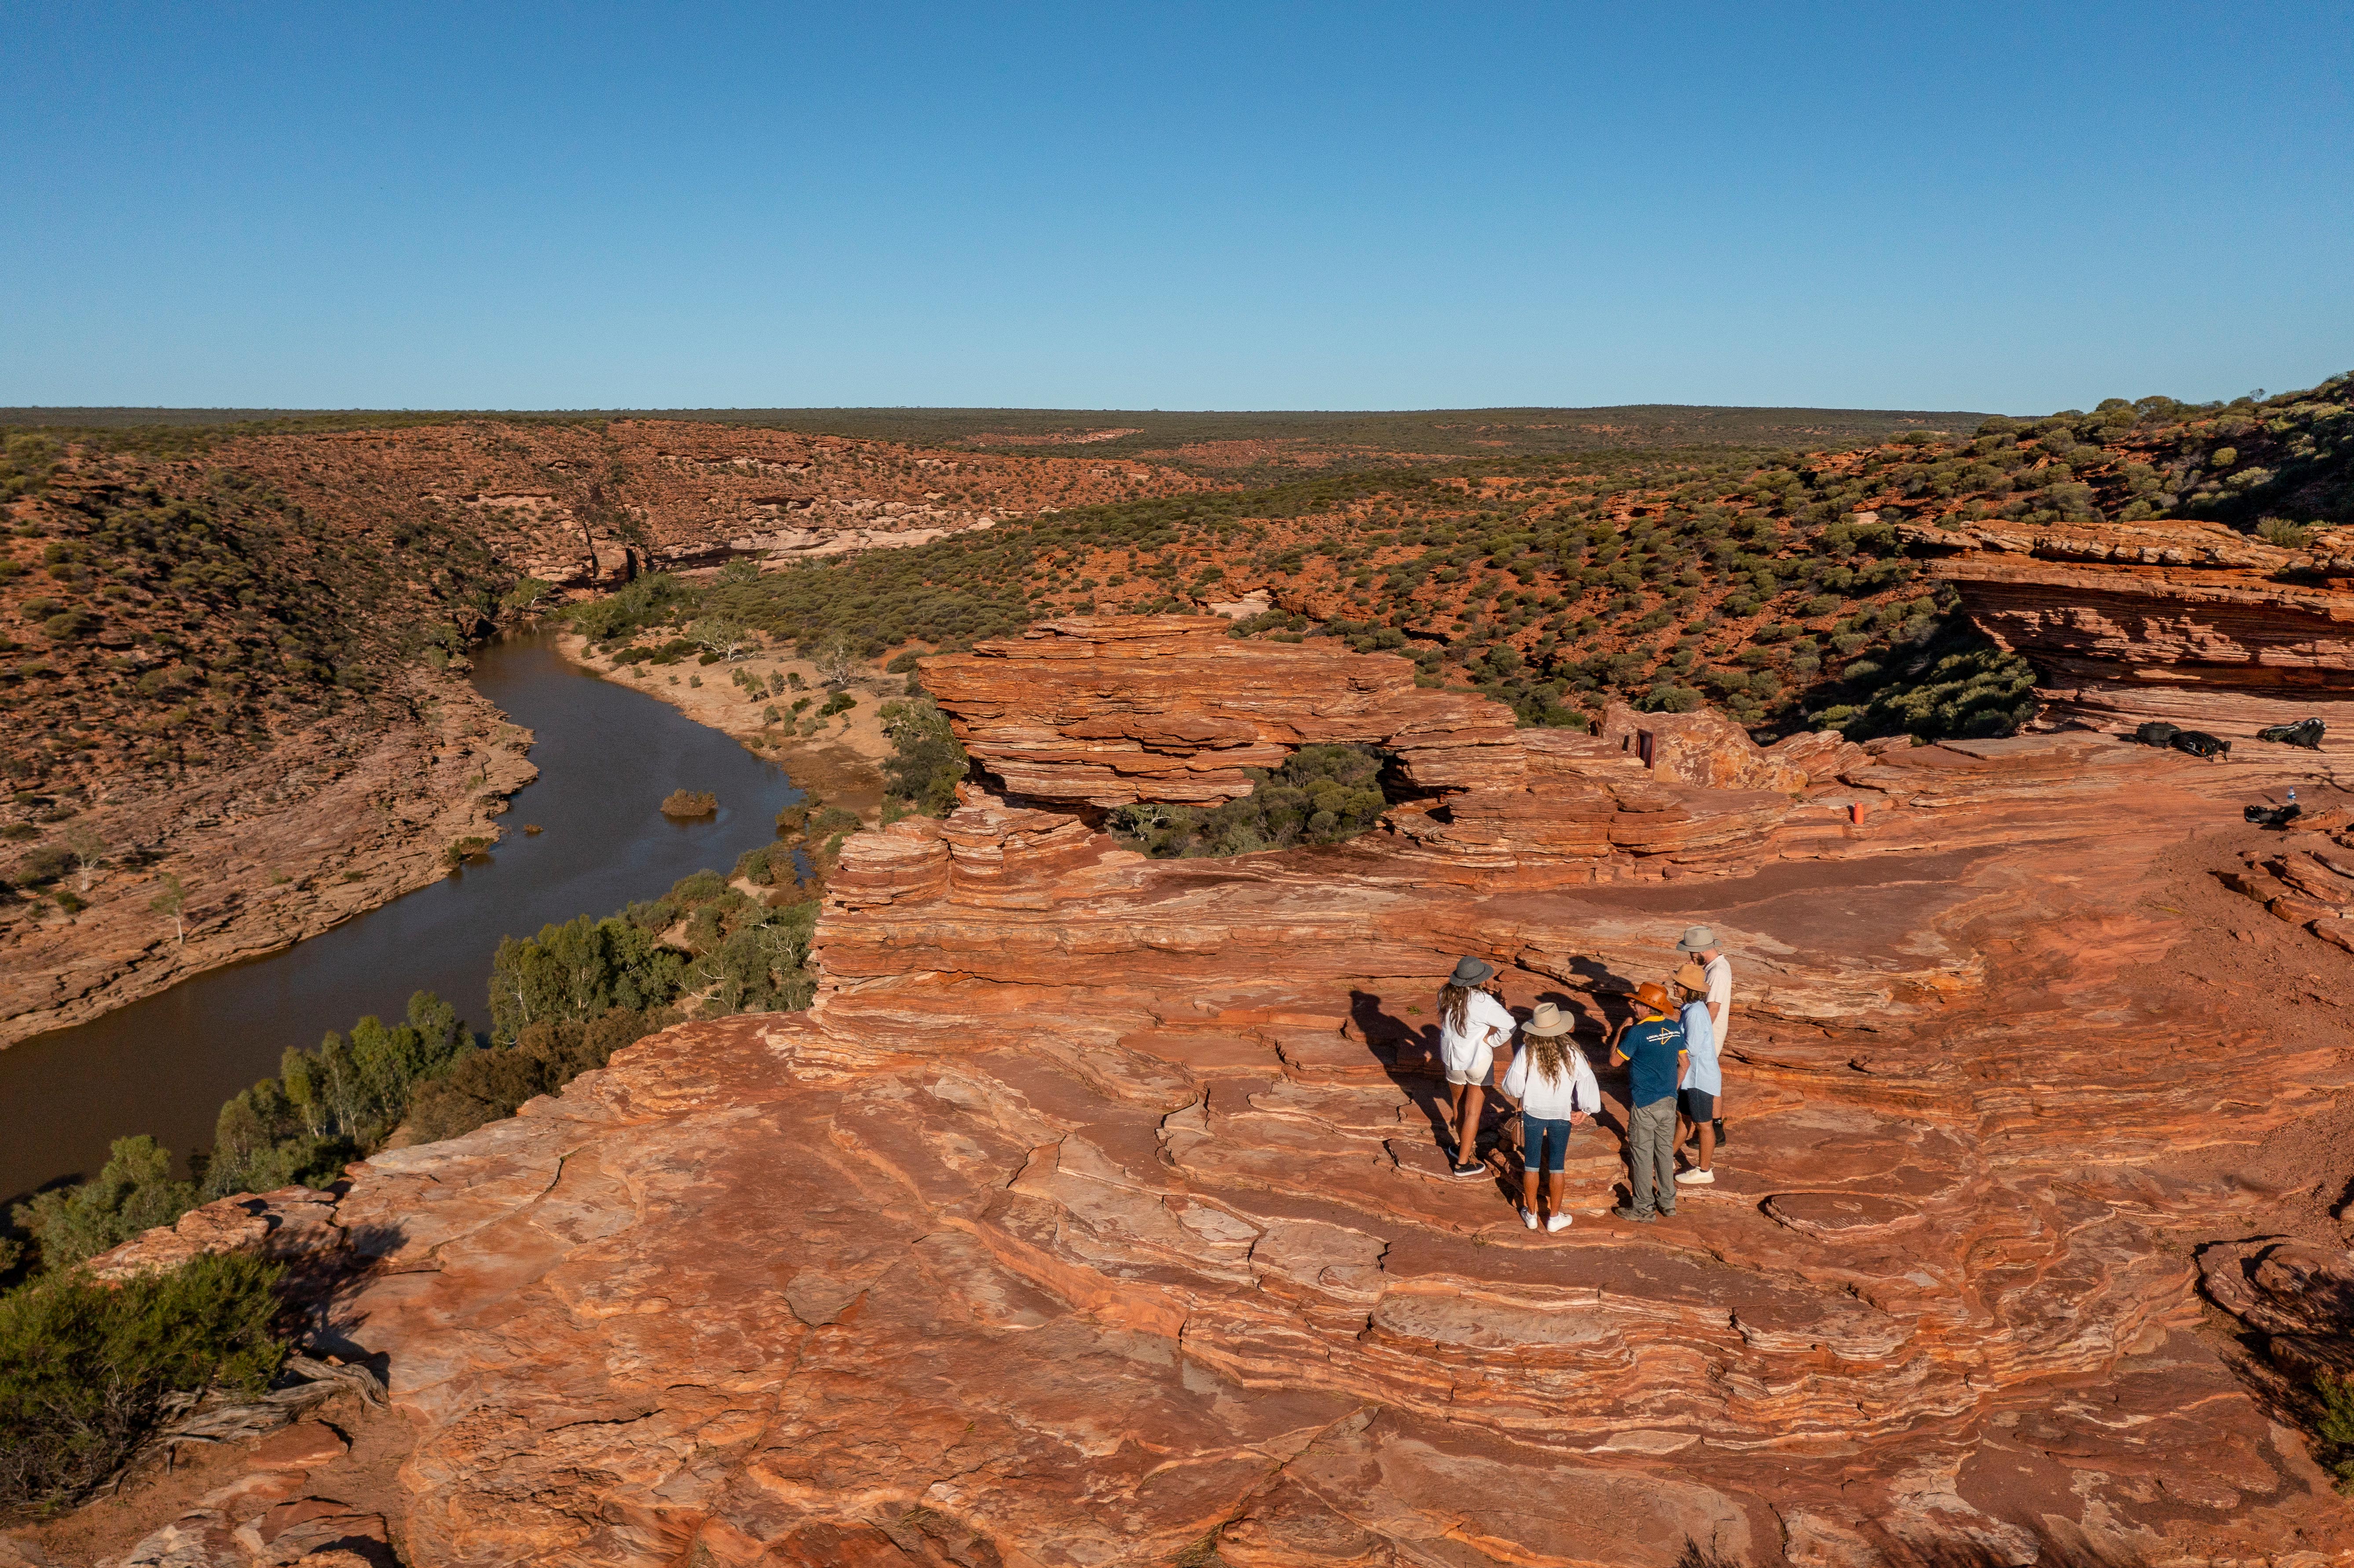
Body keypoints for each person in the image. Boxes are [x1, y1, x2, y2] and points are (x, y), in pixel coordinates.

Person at [1499, 1002, 1598, 1232]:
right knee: (1557, 1167)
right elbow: (1587, 1080)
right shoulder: (1572, 1052)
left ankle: (1532, 1215)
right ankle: (1554, 1218)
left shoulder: (1528, 1050)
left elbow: (1513, 1086)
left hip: (1533, 1112)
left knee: (1531, 1165)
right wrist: (1585, 1109)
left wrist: (1528, 1092)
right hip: (1561, 1114)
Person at [1608, 980, 1687, 1223]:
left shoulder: (1638, 1033)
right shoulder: (1674, 1029)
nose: (1633, 1006)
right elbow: (1685, 1065)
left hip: (1644, 1102)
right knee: (1664, 1152)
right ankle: (1668, 1202)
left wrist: (1621, 1032)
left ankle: (1643, 1208)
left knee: (1642, 1155)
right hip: (1668, 1101)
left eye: (1637, 1002)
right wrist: (1670, 1091)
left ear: (1646, 1007)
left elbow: (1613, 1062)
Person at [1437, 955, 1515, 1178]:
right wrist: (1492, 1041)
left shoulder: (1445, 994)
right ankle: (1463, 1163)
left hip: (1452, 1059)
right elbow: (1509, 1025)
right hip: (1477, 1060)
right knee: (1473, 1112)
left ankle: (1461, 1148)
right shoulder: (1483, 1001)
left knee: (1458, 1105)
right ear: (1480, 979)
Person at [1675, 925, 1733, 1146]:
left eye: (1691, 952)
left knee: (1706, 1080)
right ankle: (1713, 1128)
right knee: (1711, 1078)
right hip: (1707, 1032)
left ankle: (1709, 1129)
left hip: (1709, 1033)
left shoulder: (1718, 972)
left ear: (1699, 950)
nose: (1691, 956)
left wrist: (1697, 1032)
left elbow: (1714, 1008)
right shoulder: (1713, 967)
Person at [1671, 961, 1719, 1186]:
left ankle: (1705, 1171)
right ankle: (1667, 1156)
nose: (1674, 987)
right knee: (1684, 1118)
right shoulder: (1690, 1010)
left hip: (1700, 1077)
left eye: (1678, 984)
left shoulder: (1696, 1013)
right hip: (1691, 1077)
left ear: (1688, 988)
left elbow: (1693, 1049)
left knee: (1704, 1124)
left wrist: (1668, 1047)